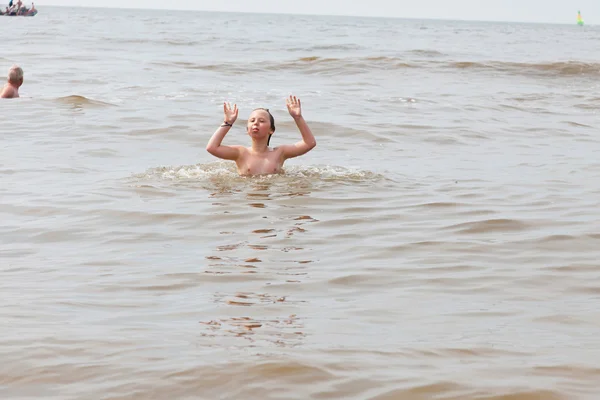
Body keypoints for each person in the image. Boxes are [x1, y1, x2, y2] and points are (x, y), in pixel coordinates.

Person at [206, 95, 316, 176]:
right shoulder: (241, 153)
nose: (256, 123)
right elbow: (212, 148)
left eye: (262, 121)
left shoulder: (279, 152)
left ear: (271, 130)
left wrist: (298, 117)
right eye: (252, 120)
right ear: (247, 130)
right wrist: (227, 123)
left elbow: (309, 143)